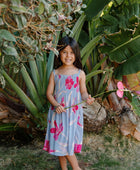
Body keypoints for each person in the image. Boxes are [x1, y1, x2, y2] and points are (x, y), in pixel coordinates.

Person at [43, 36, 94, 170]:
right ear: (59, 53)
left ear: (76, 54)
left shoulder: (80, 73)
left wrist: (87, 98)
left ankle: (76, 168)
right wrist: (56, 105)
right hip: (58, 114)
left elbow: (83, 92)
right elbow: (49, 93)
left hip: (72, 115)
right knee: (61, 142)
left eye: (71, 52)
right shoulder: (55, 73)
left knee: (66, 143)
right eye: (64, 52)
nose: (68, 56)